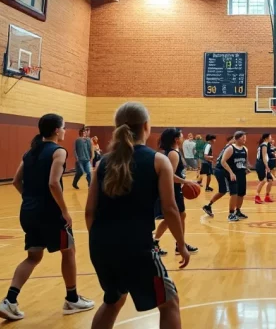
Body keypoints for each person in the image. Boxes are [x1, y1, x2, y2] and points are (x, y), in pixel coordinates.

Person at [85, 102, 188, 329]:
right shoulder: (158, 160)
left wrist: (102, 240)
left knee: (113, 300)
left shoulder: (102, 162)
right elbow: (170, 209)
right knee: (169, 303)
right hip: (136, 246)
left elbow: (89, 211)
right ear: (146, 126)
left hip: (100, 245)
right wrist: (181, 244)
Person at [0, 114, 95, 320]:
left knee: (33, 256)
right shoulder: (58, 151)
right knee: (68, 251)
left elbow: (16, 181)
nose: (65, 131)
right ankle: (72, 298)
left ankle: (10, 300)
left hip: (28, 211)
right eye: (64, 128)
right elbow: (53, 183)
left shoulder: (30, 152)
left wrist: (31, 199)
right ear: (57, 130)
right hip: (50, 213)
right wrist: (65, 211)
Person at [152, 128, 199, 256]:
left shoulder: (174, 152)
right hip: (172, 190)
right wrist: (186, 182)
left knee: (180, 216)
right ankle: (157, 242)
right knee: (171, 218)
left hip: (175, 189)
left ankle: (179, 244)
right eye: (181, 136)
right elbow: (170, 176)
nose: (183, 137)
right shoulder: (173, 154)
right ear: (176, 139)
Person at [219, 131, 251, 222]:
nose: (245, 139)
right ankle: (230, 214)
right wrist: (231, 172)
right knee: (234, 194)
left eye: (245, 137)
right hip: (233, 175)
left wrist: (246, 167)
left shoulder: (245, 149)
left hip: (241, 174)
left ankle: (238, 211)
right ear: (237, 138)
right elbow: (223, 161)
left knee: (241, 193)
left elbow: (245, 161)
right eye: (243, 137)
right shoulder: (230, 148)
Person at [201, 136, 233, 218]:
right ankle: (233, 212)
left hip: (221, 170)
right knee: (227, 191)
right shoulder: (229, 147)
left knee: (226, 191)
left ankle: (208, 205)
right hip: (220, 170)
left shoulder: (229, 147)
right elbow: (205, 156)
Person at [254, 133, 274, 204]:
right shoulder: (264, 145)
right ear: (266, 138)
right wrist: (267, 166)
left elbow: (268, 155)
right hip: (261, 164)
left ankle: (267, 197)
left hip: (264, 164)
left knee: (270, 180)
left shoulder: (266, 144)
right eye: (270, 136)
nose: (271, 138)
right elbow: (264, 157)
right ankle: (257, 197)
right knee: (263, 181)